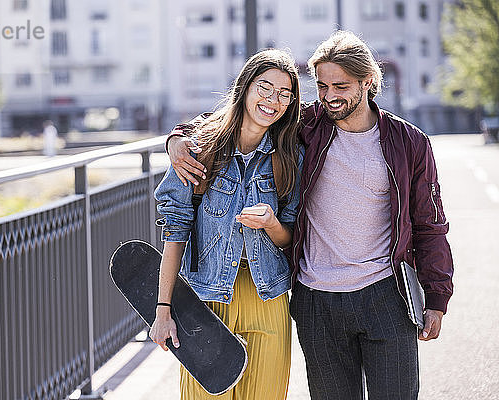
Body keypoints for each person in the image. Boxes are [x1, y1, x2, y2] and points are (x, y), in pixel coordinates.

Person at [165, 31, 454, 400]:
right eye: (321, 85)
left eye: (340, 85)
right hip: (318, 299)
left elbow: (430, 226)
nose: (330, 95)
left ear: (368, 82)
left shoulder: (408, 142)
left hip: (385, 295)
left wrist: (437, 297)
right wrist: (177, 138)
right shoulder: (307, 126)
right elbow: (238, 121)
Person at [150, 49, 304, 400]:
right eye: (265, 87)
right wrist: (163, 310)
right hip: (206, 299)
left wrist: (270, 224)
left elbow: (289, 238)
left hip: (268, 296)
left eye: (284, 94)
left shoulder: (290, 157)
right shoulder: (199, 148)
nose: (273, 100)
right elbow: (175, 232)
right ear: (245, 88)